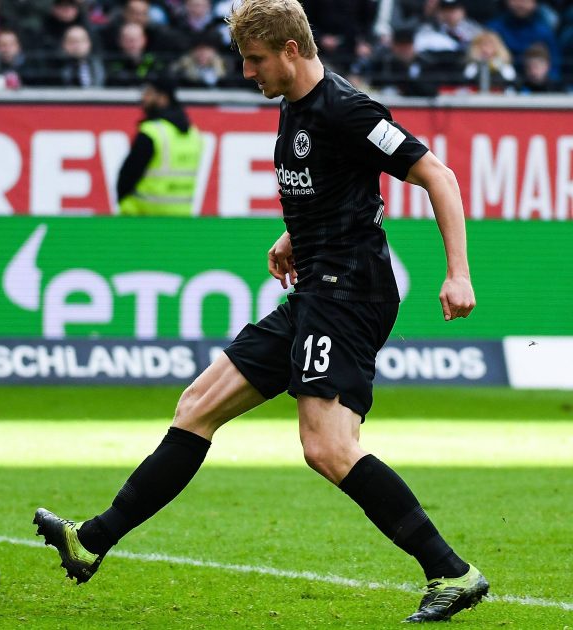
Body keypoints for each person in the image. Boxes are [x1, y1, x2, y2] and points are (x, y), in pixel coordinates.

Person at [33, 0, 488, 624]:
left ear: (291, 51)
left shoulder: (349, 110)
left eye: (255, 60)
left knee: (327, 447)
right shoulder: (294, 110)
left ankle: (451, 573)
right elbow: (332, 191)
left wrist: (457, 273)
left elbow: (439, 176)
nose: (248, 72)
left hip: (351, 292)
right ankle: (91, 540)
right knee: (198, 405)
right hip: (316, 287)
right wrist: (292, 237)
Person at [115, 73, 202, 216]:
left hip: (143, 216)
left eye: (148, 93)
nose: (143, 98)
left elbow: (128, 176)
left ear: (163, 98)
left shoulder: (151, 133)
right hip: (181, 217)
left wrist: (124, 202)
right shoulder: (193, 134)